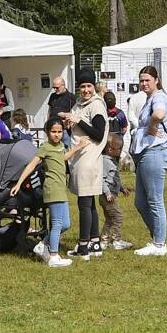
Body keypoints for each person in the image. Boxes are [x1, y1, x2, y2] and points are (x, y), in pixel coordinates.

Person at [11, 117, 88, 268]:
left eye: (59, 131)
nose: (57, 134)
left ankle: (43, 244)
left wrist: (78, 147)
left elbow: (62, 158)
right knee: (57, 224)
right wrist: (19, 183)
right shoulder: (45, 147)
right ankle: (53, 256)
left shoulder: (60, 146)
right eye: (53, 132)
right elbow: (31, 165)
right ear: (47, 132)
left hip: (61, 189)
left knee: (65, 224)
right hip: (52, 189)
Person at [62, 68, 110, 259]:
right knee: (89, 203)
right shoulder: (79, 104)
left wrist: (78, 120)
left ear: (94, 87)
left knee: (84, 203)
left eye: (89, 86)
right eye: (82, 87)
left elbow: (98, 134)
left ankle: (83, 247)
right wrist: (69, 123)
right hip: (79, 158)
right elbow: (77, 129)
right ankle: (95, 243)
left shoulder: (96, 105)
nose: (86, 90)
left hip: (89, 158)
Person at [128, 65, 167, 255]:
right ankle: (157, 237)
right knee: (140, 202)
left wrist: (152, 123)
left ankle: (159, 244)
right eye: (141, 80)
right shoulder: (149, 98)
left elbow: (160, 113)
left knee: (155, 200)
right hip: (145, 153)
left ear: (156, 80)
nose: (144, 83)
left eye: (147, 79)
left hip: (154, 152)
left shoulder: (159, 97)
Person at [99, 136, 132, 248]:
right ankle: (116, 240)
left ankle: (104, 241)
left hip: (110, 195)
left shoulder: (112, 161)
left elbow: (114, 179)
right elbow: (101, 180)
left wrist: (122, 189)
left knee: (109, 219)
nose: (120, 151)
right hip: (107, 196)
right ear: (110, 149)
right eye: (118, 148)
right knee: (118, 216)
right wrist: (108, 193)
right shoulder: (105, 161)